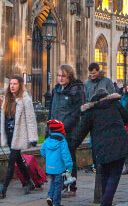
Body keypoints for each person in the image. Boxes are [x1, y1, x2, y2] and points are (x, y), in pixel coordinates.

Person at [73, 89, 128, 206]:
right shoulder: (114, 104)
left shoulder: (90, 111)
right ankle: (106, 203)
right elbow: (127, 117)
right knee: (114, 175)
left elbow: (81, 133)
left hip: (102, 148)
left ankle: (106, 202)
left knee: (105, 175)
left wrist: (71, 146)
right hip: (120, 144)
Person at [0, 75, 39, 198]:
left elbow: (30, 119)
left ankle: (3, 189)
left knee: (11, 161)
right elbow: (4, 118)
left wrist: (33, 137)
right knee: (18, 160)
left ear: (20, 85)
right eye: (11, 84)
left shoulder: (25, 99)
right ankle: (29, 182)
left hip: (19, 134)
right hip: (9, 134)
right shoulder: (7, 99)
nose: (12, 86)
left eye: (15, 84)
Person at [49, 64, 85, 196]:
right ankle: (61, 185)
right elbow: (52, 110)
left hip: (69, 132)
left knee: (69, 159)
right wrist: (50, 127)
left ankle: (71, 187)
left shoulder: (76, 91)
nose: (60, 78)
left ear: (70, 76)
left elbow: (76, 114)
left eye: (63, 76)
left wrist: (63, 127)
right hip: (55, 132)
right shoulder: (56, 90)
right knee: (58, 159)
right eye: (59, 76)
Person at [41, 119, 73, 206]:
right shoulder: (62, 141)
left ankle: (49, 197)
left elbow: (42, 150)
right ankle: (56, 202)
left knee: (53, 182)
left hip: (49, 167)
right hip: (59, 168)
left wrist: (48, 158)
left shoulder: (48, 139)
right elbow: (66, 154)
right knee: (58, 185)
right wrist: (69, 166)